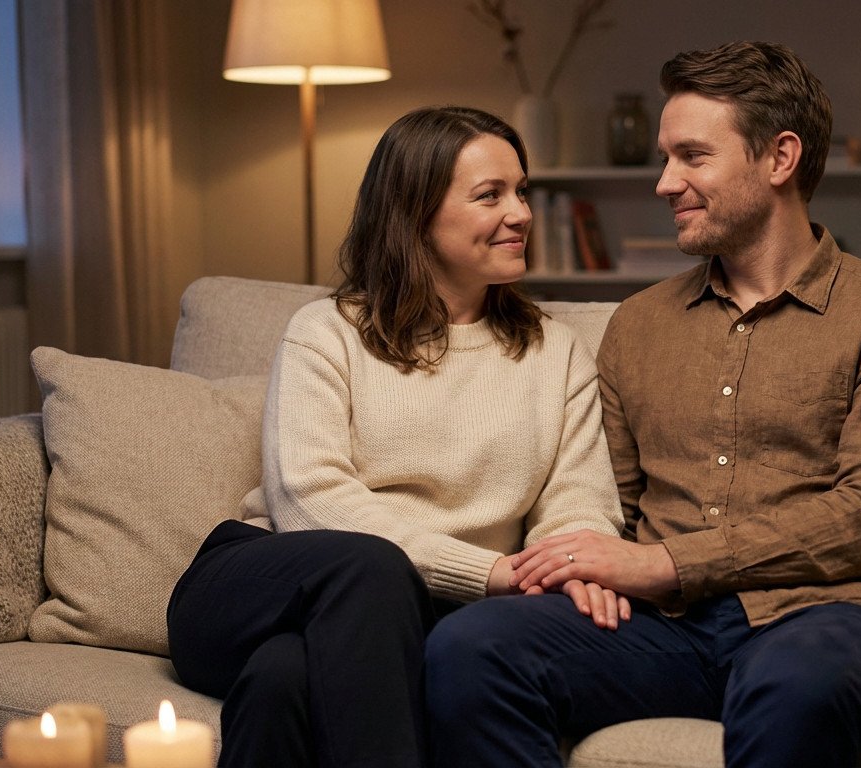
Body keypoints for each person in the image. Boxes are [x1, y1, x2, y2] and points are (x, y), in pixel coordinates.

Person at [425, 42, 861, 767]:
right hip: (665, 632)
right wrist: (586, 565)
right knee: (472, 645)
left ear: (780, 159)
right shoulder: (638, 324)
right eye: (664, 157)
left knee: (795, 683)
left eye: (692, 157)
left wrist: (667, 564)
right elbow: (604, 498)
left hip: (835, 618)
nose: (664, 183)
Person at [166, 105, 627, 768]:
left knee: (281, 681)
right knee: (369, 566)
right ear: (414, 212)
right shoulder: (328, 332)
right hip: (259, 587)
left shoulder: (556, 353)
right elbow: (307, 496)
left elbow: (577, 499)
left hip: (407, 621)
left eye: (521, 191)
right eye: (490, 195)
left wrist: (571, 567)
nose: (522, 213)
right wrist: (488, 571)